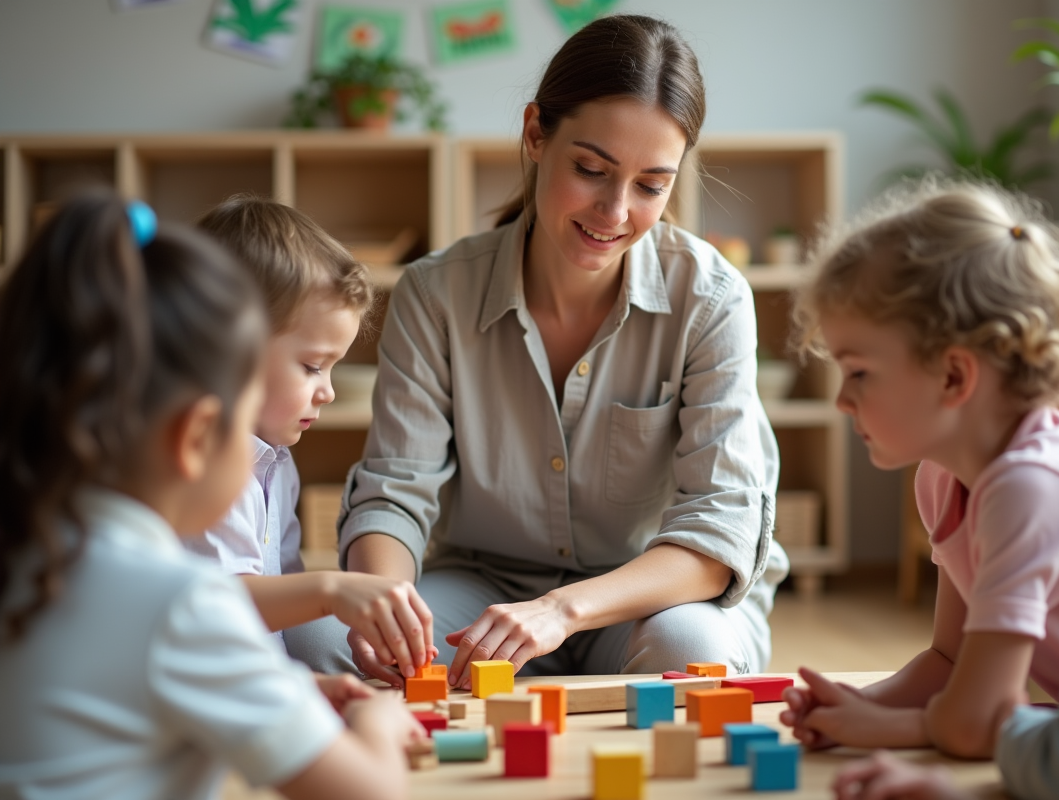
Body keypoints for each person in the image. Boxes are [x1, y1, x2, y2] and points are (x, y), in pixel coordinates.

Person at [336, 13, 787, 688]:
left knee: (694, 654)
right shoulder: (435, 293)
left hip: (649, 599)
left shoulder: (713, 299)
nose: (613, 211)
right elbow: (395, 494)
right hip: (484, 589)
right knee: (330, 644)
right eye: (590, 169)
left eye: (650, 185)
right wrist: (386, 610)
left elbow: (717, 534)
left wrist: (560, 610)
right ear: (535, 134)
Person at [0, 190, 423, 799]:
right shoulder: (184, 605)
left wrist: (289, 692)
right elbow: (374, 793)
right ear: (198, 434)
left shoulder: (35, 552)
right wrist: (377, 721)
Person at [780, 182, 1059, 758]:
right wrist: (860, 705)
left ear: (953, 377)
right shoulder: (942, 477)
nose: (843, 401)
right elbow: (949, 663)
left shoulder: (1034, 486)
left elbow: (980, 720)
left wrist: (882, 729)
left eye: (859, 373)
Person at [182, 195, 435, 677]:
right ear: (226, 348)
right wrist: (333, 591)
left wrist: (314, 687)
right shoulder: (207, 467)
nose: (329, 392)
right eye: (313, 367)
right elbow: (217, 606)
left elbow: (283, 611)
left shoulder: (276, 462)